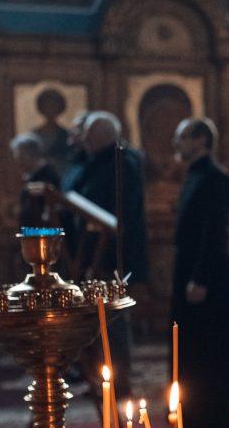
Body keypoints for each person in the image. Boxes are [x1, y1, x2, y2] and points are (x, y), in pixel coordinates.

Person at [171, 118, 229, 428]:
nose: (176, 143)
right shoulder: (195, 174)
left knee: (212, 346)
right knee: (193, 345)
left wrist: (200, 277)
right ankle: (196, 411)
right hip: (192, 269)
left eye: (182, 137)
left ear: (201, 140)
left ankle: (217, 414)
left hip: (208, 274)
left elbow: (213, 232)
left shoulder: (216, 178)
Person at [72, 112, 149, 398]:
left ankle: (118, 381)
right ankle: (100, 377)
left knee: (114, 320)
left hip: (114, 255)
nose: (84, 141)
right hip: (94, 252)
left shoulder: (122, 162)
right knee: (98, 320)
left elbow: (118, 213)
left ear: (104, 136)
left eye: (89, 136)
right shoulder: (96, 162)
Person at [11, 132, 61, 229]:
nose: (17, 160)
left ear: (32, 153)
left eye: (20, 156)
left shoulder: (47, 174)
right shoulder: (31, 176)